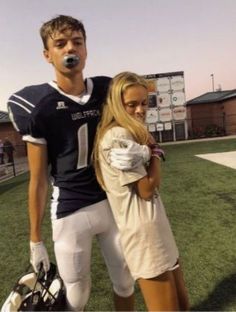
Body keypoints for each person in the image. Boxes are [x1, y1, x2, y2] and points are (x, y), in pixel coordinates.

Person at [6, 15, 151, 311]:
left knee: (125, 280)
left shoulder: (108, 90)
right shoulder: (38, 105)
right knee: (77, 292)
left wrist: (148, 152)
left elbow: (139, 126)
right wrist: (35, 238)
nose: (70, 48)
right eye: (60, 44)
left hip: (112, 201)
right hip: (71, 208)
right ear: (48, 54)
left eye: (77, 42)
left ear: (86, 49)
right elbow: (38, 179)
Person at [94, 72, 190, 311]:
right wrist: (155, 151)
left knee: (182, 304)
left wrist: (150, 148)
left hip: (156, 225)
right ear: (117, 103)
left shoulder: (134, 132)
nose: (140, 110)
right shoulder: (118, 135)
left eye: (144, 103)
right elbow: (147, 188)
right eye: (132, 104)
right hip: (144, 233)